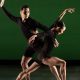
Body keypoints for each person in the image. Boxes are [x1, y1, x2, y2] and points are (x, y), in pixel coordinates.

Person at [0, 0, 59, 80]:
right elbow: (10, 16)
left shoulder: (32, 22)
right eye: (25, 12)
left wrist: (51, 38)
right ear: (21, 12)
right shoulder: (18, 20)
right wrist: (2, 7)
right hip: (31, 45)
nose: (26, 14)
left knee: (48, 62)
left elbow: (47, 29)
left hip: (38, 43)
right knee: (23, 63)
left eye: (28, 12)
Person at [16, 8, 75, 80]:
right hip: (44, 58)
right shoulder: (50, 32)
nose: (63, 32)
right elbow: (43, 34)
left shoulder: (54, 30)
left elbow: (58, 19)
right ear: (58, 27)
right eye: (63, 30)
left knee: (25, 72)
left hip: (41, 56)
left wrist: (65, 11)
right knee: (63, 63)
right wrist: (35, 36)